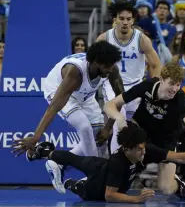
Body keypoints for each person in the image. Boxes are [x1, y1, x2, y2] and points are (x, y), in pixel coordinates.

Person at [12, 41, 124, 191]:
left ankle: (58, 163)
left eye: (112, 65)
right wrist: (36, 137)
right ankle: (93, 174)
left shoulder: (111, 68)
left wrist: (108, 127)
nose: (110, 69)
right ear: (96, 63)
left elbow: (121, 97)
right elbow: (54, 107)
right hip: (58, 90)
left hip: (85, 96)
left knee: (99, 139)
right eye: (106, 66)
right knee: (84, 127)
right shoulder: (74, 73)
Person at [25, 122, 185, 203]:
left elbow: (179, 156)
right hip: (99, 186)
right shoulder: (119, 163)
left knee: (77, 159)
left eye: (144, 147)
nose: (143, 153)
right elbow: (109, 195)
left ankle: (45, 152)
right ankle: (54, 164)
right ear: (127, 149)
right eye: (139, 150)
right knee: (79, 188)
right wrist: (136, 200)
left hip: (100, 166)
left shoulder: (145, 150)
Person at [104, 62, 185, 199]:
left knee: (166, 188)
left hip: (166, 141)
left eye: (178, 84)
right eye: (171, 83)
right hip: (141, 135)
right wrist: (119, 118)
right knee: (121, 138)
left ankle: (180, 185)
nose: (174, 88)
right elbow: (109, 105)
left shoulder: (180, 99)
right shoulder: (147, 86)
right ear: (161, 79)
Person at [96, 0, 162, 153]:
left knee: (134, 128)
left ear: (133, 20)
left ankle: (133, 162)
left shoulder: (142, 39)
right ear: (115, 20)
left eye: (128, 19)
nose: (125, 22)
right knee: (120, 117)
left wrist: (153, 86)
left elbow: (156, 65)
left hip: (136, 86)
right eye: (121, 18)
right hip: (111, 84)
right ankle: (115, 162)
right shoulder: (104, 39)